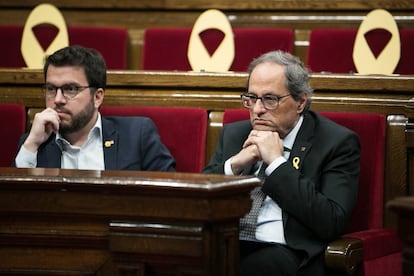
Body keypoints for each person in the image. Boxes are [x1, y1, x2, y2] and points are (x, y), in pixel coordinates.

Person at [203, 50, 360, 275]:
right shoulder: (234, 134)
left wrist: (276, 164)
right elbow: (199, 195)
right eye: (252, 98)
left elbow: (332, 221)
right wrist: (234, 165)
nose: (257, 109)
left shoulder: (336, 142)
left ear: (300, 102)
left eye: (270, 99)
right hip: (228, 242)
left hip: (288, 252)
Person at [15, 45, 175, 171]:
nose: (58, 99)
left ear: (97, 97)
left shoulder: (137, 136)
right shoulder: (34, 143)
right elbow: (15, 204)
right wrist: (31, 145)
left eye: (70, 89)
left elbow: (171, 199)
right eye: (51, 89)